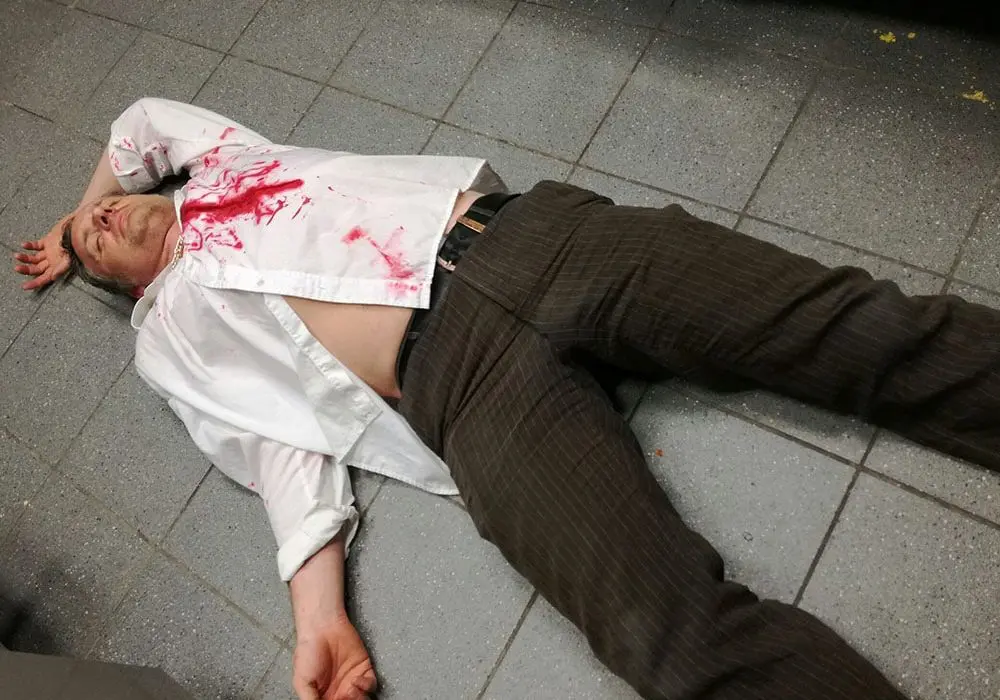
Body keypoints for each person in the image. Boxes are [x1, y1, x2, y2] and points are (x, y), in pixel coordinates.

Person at [12, 97, 999, 700]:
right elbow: (275, 448)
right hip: (465, 389)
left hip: (531, 241)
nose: (105, 220)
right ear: (126, 291)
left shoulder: (223, 168)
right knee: (663, 636)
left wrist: (70, 216)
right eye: (95, 241)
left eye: (105, 207)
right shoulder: (170, 336)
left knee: (862, 328)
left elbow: (139, 123)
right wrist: (317, 612)